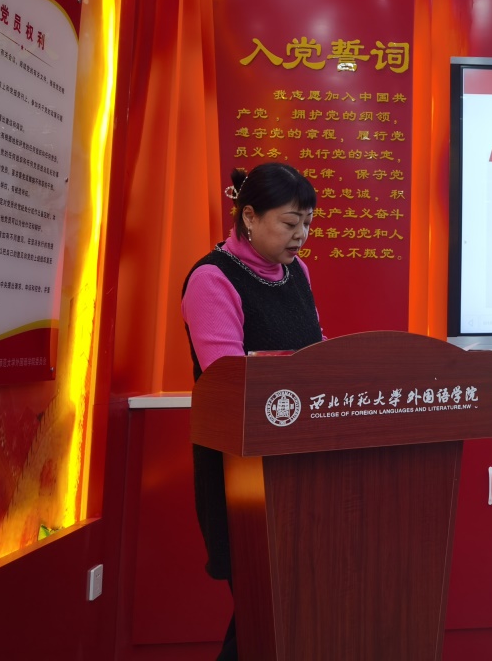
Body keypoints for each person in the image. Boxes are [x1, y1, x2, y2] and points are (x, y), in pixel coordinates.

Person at [181, 162, 322, 661]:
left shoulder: (296, 273)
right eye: (290, 222)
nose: (301, 235)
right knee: (267, 605)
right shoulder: (211, 278)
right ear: (248, 216)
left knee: (284, 609)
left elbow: (315, 353)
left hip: (301, 460)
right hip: (242, 468)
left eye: (307, 223)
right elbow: (230, 380)